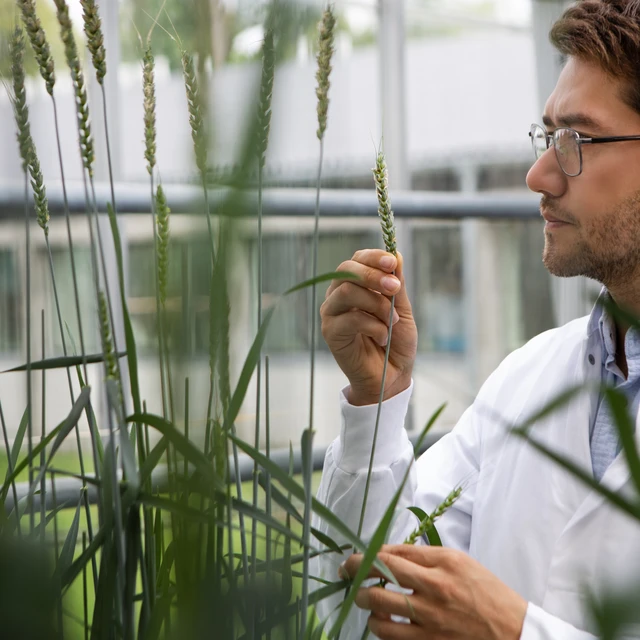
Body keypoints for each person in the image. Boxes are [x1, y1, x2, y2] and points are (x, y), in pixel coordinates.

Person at [311, 1, 640, 638]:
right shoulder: (526, 381)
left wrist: (513, 632)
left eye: (576, 139)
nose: (539, 173)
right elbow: (370, 599)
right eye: (547, 137)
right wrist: (377, 403)